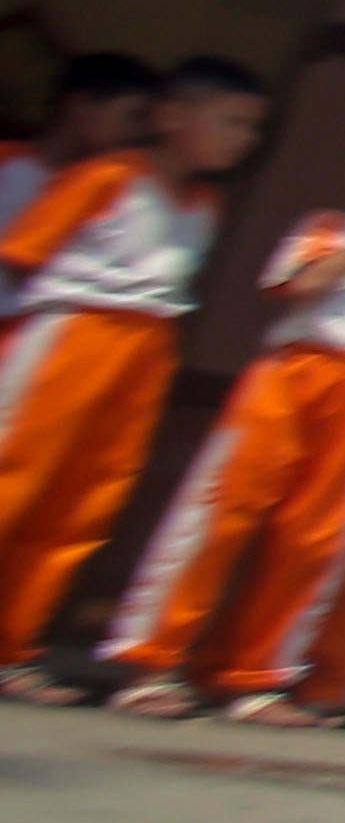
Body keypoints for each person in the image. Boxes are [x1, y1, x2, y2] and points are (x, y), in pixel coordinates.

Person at [91, 110, 345, 723]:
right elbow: (303, 287)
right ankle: (152, 662)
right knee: (219, 512)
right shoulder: (328, 227)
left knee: (315, 540)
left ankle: (259, 677)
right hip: (295, 371)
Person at [0, 57, 276, 691]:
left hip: (148, 348)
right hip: (73, 332)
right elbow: (23, 255)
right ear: (174, 116)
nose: (244, 139)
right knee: (15, 476)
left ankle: (14, 641)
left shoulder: (206, 204)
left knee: (84, 502)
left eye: (254, 127)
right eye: (232, 121)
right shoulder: (107, 176)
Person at [0, 51, 160, 287]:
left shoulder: (116, 194)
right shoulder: (6, 160)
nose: (139, 133)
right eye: (134, 116)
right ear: (80, 105)